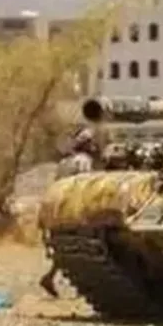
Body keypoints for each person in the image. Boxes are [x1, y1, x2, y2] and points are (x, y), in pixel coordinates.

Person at [39, 125, 100, 298]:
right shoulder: (84, 161)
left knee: (68, 247)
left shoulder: (64, 162)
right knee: (85, 246)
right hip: (76, 208)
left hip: (58, 208)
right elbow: (85, 185)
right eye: (90, 142)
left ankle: (51, 277)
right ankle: (85, 285)